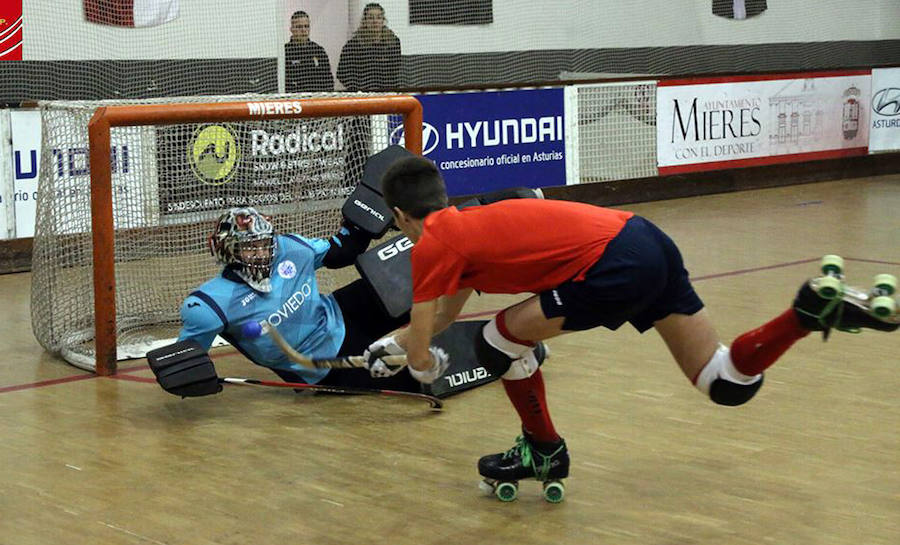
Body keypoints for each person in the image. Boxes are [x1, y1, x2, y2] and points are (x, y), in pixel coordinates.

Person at [366, 156, 899, 501]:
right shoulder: (461, 230)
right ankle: (805, 313)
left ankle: (543, 449)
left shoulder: (433, 242)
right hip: (646, 240)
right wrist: (395, 343)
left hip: (611, 262)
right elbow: (444, 317)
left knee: (499, 339)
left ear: (399, 215)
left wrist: (418, 360)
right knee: (725, 382)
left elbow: (424, 351)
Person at [177, 206, 421, 391]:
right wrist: (192, 380)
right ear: (227, 250)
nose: (262, 254)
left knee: (420, 281)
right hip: (321, 366)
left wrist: (367, 214)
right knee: (418, 375)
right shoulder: (210, 305)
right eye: (250, 248)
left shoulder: (289, 248)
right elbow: (185, 362)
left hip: (339, 312)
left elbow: (341, 252)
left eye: (265, 244)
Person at [336, 3, 401, 92]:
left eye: (378, 17)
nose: (375, 21)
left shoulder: (393, 42)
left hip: (387, 93)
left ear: (383, 20)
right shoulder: (353, 45)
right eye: (370, 18)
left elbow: (395, 70)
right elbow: (342, 73)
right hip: (361, 95)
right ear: (364, 21)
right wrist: (357, 89)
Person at [284, 10, 334, 93]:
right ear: (291, 29)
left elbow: (328, 79)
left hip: (317, 99)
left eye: (306, 26)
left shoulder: (318, 51)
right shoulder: (285, 52)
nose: (304, 30)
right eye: (299, 27)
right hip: (295, 98)